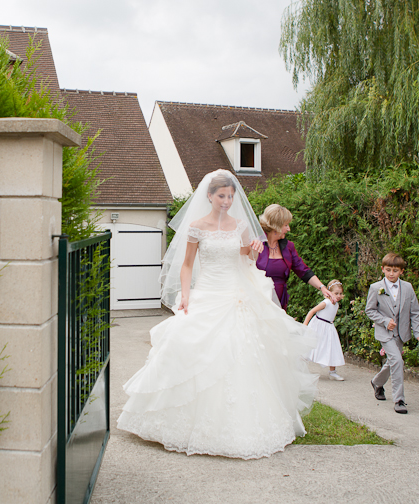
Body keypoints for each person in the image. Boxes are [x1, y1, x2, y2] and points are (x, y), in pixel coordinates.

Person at [117, 170, 318, 459]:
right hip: (207, 292)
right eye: (221, 195)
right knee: (185, 343)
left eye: (230, 196)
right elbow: (187, 265)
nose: (226, 201)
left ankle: (242, 425)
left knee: (241, 352)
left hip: (235, 293)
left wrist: (254, 248)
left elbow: (248, 258)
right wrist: (185, 295)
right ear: (209, 196)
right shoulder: (196, 227)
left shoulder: (241, 226)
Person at [365, 252, 419, 414]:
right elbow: (370, 311)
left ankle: (377, 382)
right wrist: (385, 321)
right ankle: (399, 400)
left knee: (392, 362)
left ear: (401, 272)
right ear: (383, 269)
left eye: (395, 271)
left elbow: (415, 311)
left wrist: (418, 331)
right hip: (385, 333)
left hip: (402, 333)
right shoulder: (376, 288)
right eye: (389, 270)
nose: (391, 274)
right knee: (398, 361)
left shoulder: (407, 288)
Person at [255, 204, 337, 312]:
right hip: (258, 302)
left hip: (279, 303)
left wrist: (322, 287)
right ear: (276, 225)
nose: (288, 229)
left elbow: (303, 270)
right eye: (286, 225)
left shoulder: (289, 247)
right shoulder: (256, 245)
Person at [303, 280, 347, 380]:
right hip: (318, 326)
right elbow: (312, 311)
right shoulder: (326, 303)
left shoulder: (336, 304)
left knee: (332, 348)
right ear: (329, 293)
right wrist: (305, 325)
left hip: (329, 328)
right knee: (310, 346)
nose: (339, 295)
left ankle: (332, 372)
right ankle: (300, 368)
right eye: (336, 293)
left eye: (340, 293)